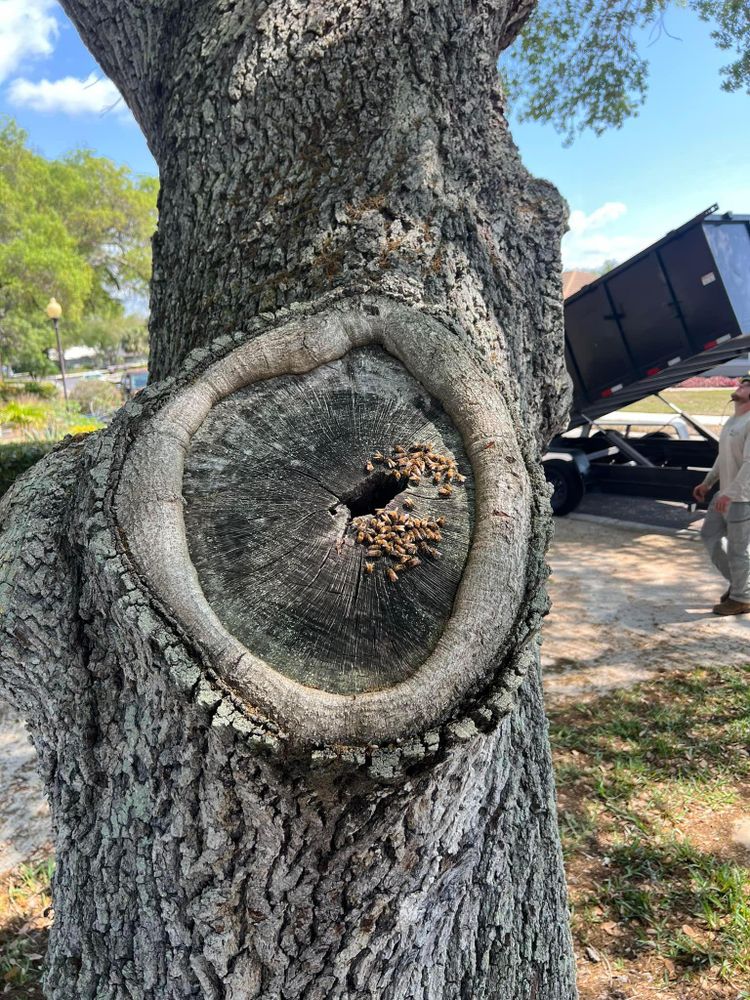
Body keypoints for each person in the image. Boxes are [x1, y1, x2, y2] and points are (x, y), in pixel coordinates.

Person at [693, 375, 750, 615]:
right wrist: (708, 483)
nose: (740, 386)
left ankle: (742, 598)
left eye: (746, 385)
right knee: (710, 536)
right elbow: (721, 457)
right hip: (725, 493)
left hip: (742, 498)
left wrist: (731, 493)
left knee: (738, 548)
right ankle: (742, 586)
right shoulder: (733, 420)